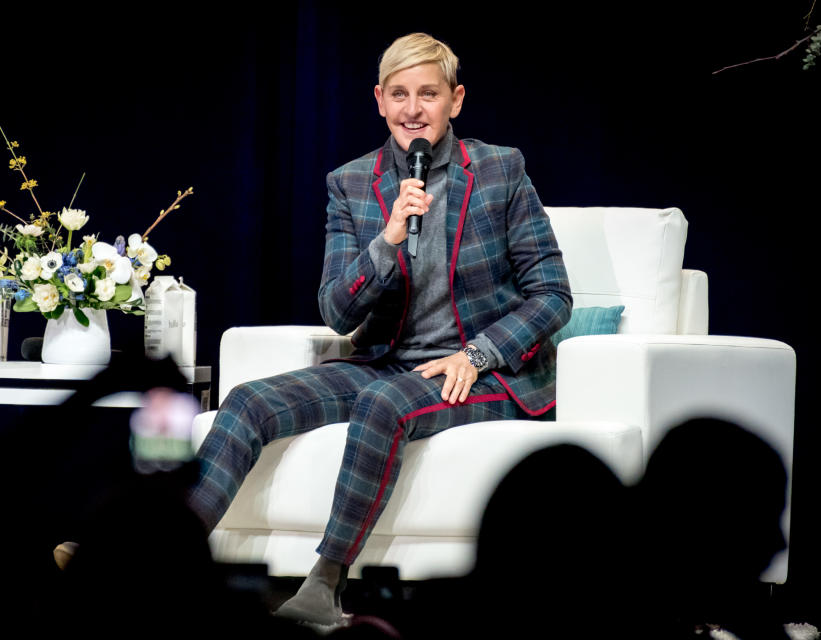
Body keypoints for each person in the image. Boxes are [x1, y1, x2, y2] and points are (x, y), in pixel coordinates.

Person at [187, 32, 572, 626]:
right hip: (386, 359)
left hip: (482, 369)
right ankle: (153, 555)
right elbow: (337, 314)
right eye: (399, 94)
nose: (413, 109)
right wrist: (387, 240)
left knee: (382, 404)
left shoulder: (502, 170)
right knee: (247, 401)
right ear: (379, 101)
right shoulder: (351, 184)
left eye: (428, 93)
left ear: (456, 100)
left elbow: (552, 295)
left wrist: (479, 352)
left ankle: (324, 582)